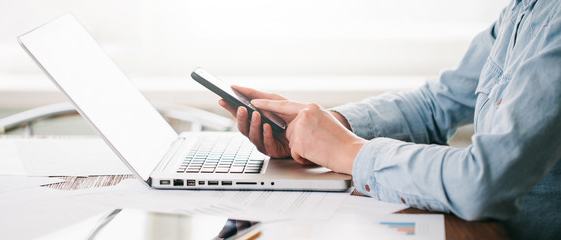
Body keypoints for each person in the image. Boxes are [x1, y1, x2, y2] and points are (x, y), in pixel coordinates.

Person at [219, 0, 560, 239]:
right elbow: (435, 103)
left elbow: (484, 182)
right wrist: (326, 128)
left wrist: (349, 152)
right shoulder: (524, 10)